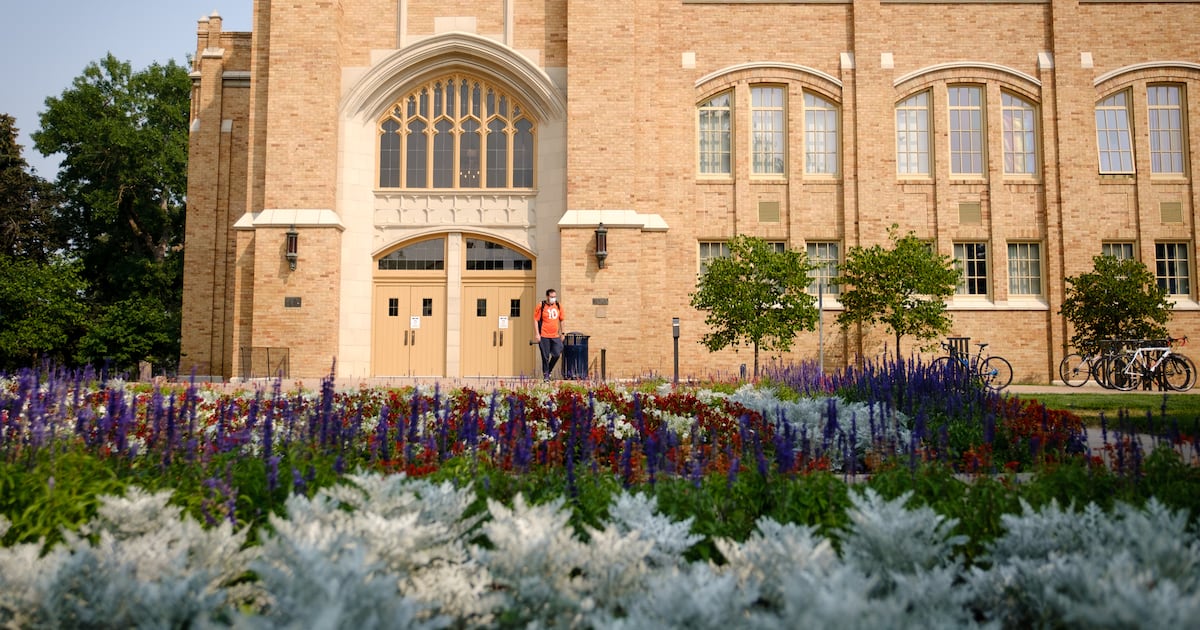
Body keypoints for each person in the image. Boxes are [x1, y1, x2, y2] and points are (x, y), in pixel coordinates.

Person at [533, 288, 565, 381]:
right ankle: (546, 376)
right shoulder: (541, 305)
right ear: (547, 296)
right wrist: (537, 334)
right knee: (545, 356)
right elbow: (535, 320)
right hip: (544, 335)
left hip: (555, 336)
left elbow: (562, 320)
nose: (553, 299)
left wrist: (563, 333)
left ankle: (549, 370)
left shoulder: (558, 306)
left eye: (554, 297)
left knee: (557, 354)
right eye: (551, 297)